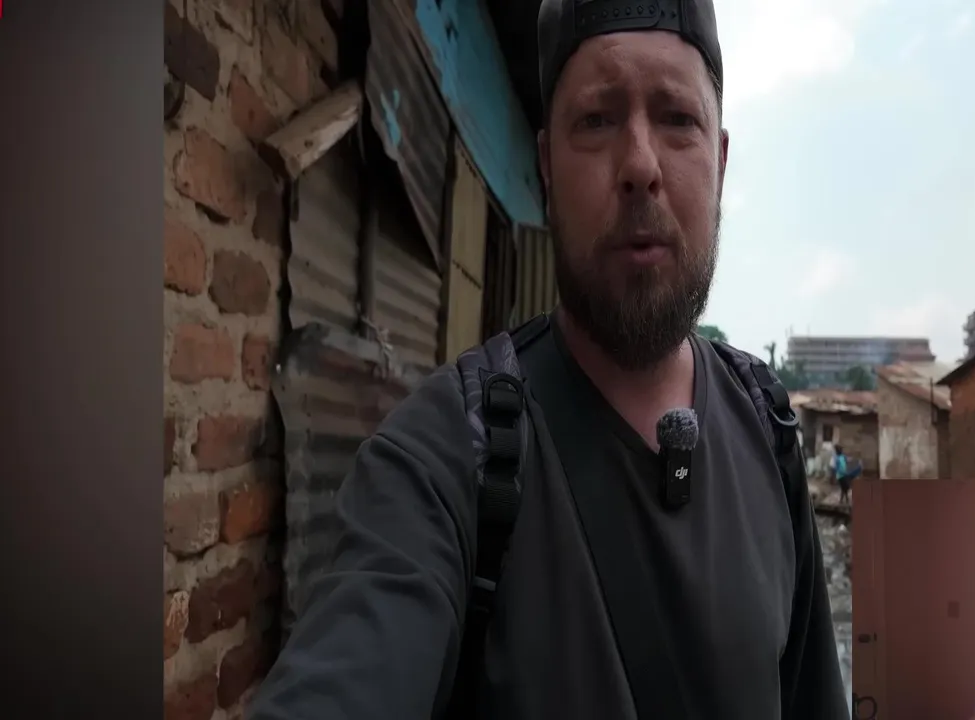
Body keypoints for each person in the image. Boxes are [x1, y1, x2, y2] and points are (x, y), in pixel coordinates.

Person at [246, 1, 849, 718]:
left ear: (719, 162)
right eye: (596, 119)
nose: (640, 165)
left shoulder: (768, 429)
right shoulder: (447, 454)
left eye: (677, 118)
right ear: (545, 168)